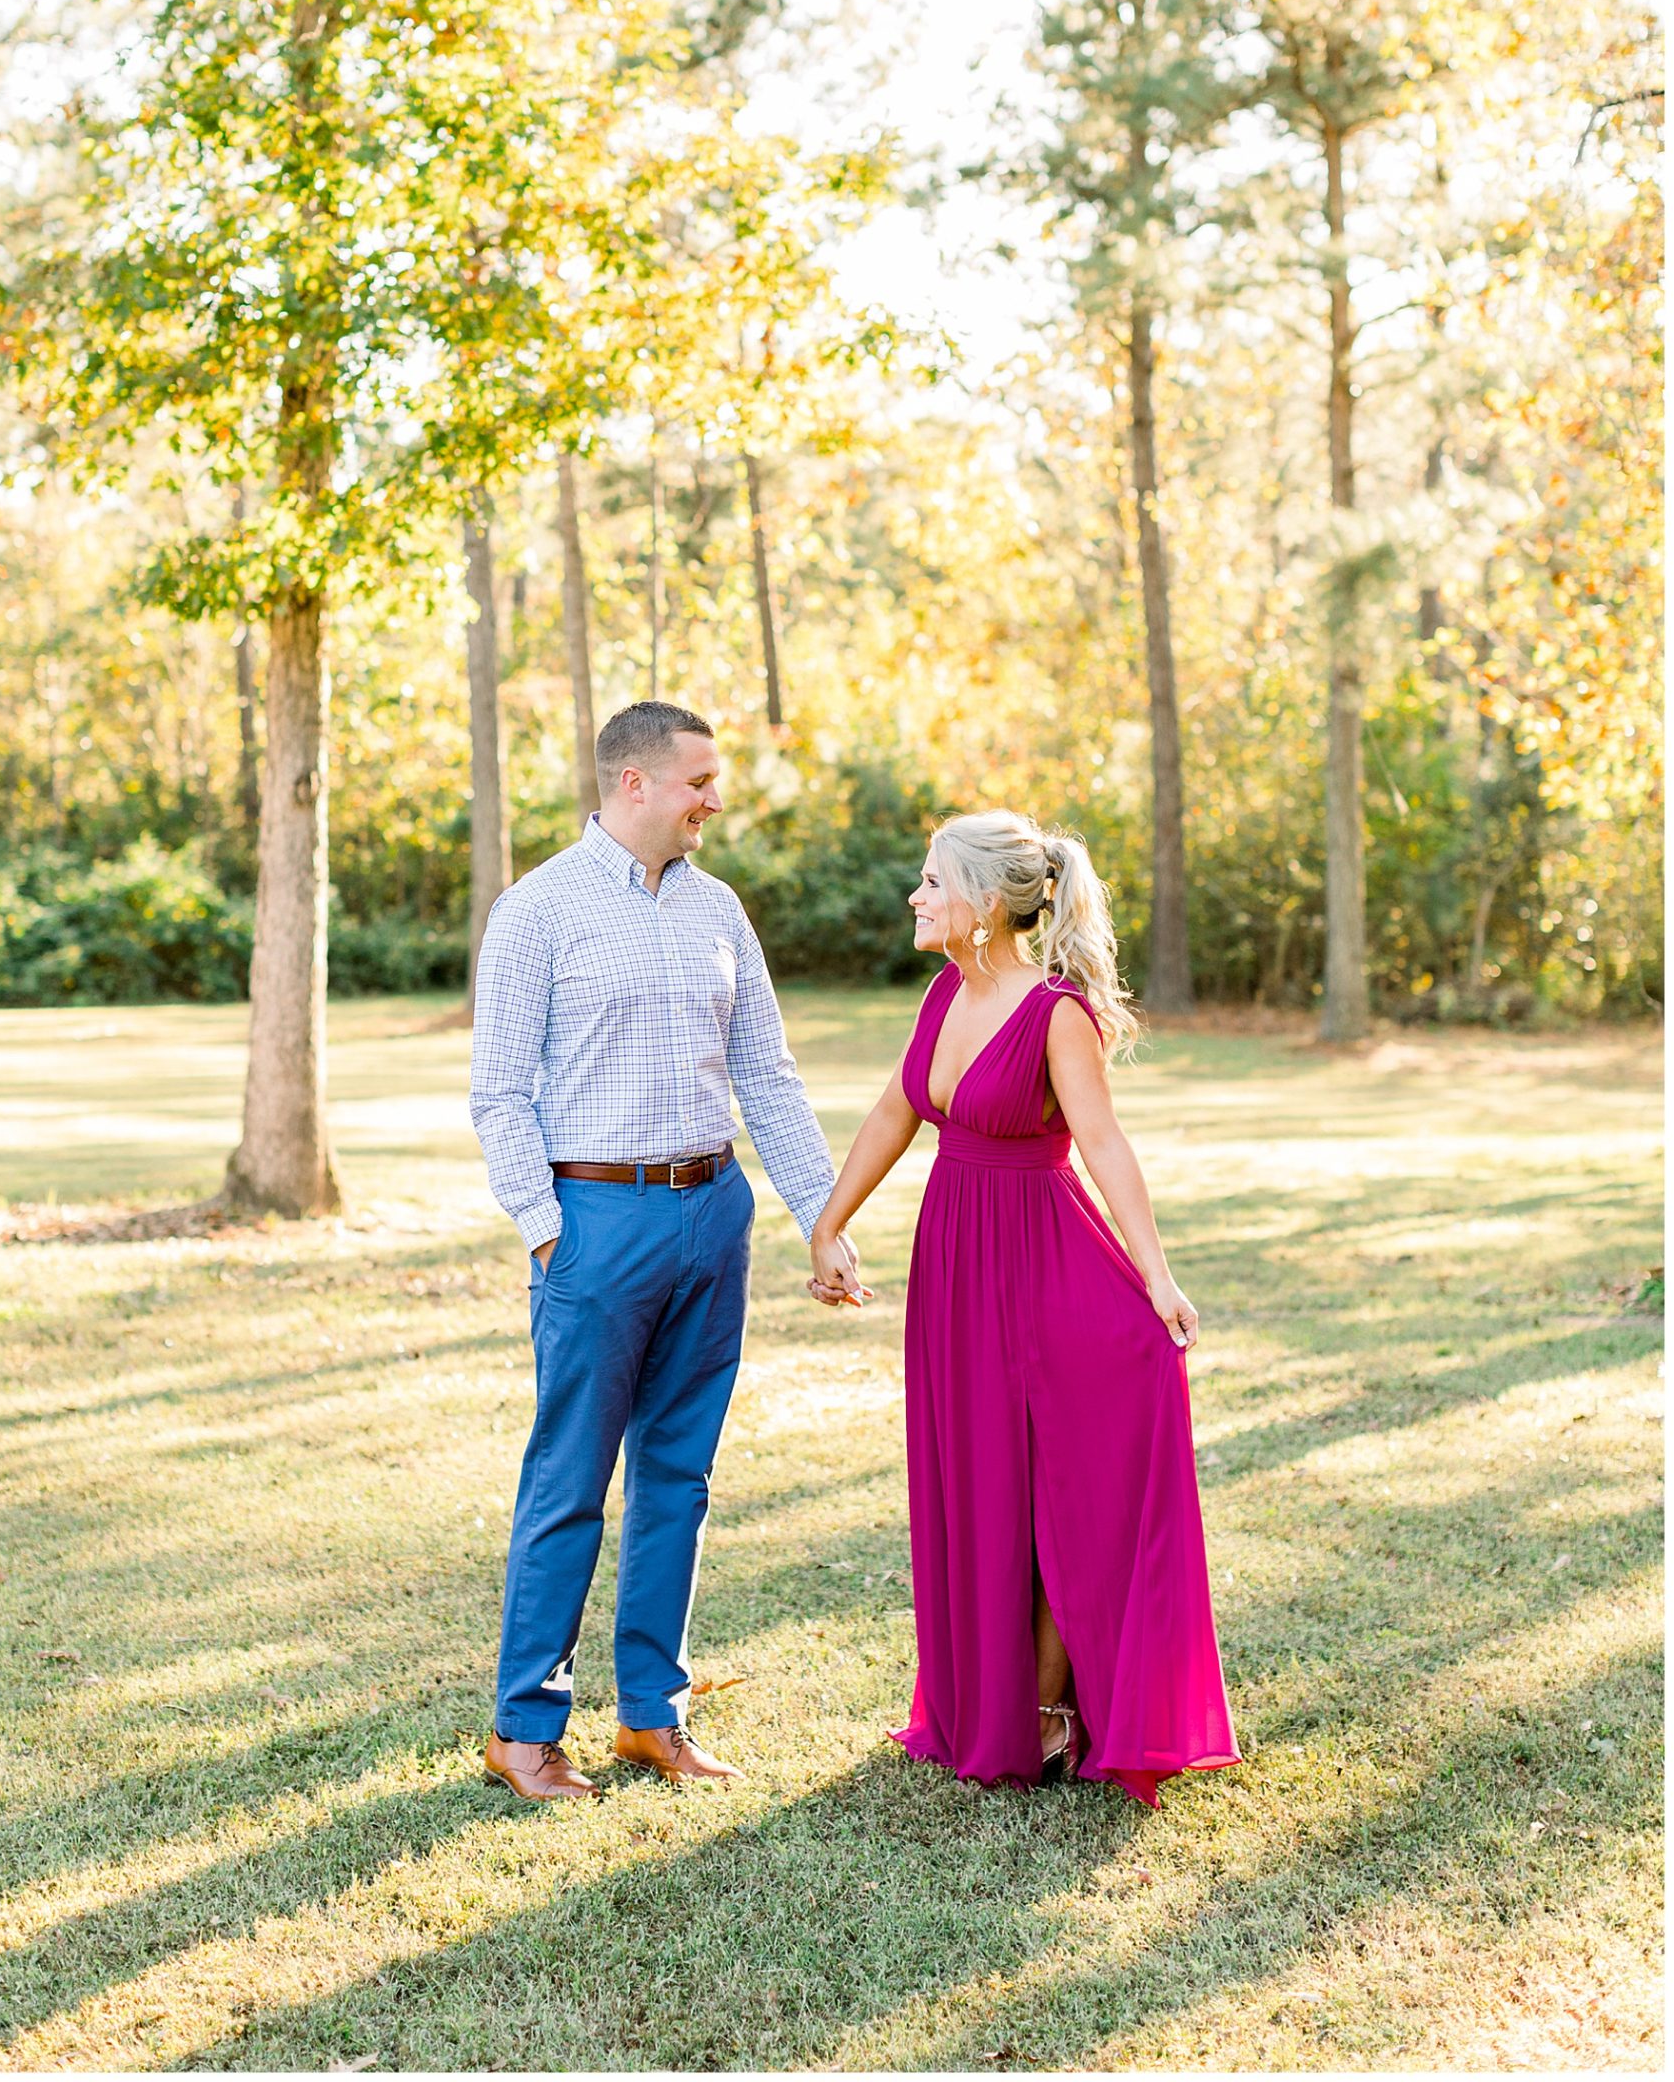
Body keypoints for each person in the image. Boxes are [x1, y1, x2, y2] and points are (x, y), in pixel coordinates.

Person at [806, 811, 1239, 1803]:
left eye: (931, 882)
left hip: (1050, 1267)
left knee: (1058, 1492)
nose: (916, 897)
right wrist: (829, 1225)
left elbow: (1107, 1147)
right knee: (983, 1487)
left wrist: (1158, 1279)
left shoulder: (1056, 1016)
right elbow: (893, 1111)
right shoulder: (943, 995)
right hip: (956, 1273)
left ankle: (1047, 1710)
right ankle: (995, 1704)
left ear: (988, 905)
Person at [470, 700, 835, 1802]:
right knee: (570, 1480)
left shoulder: (720, 908)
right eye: (698, 782)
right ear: (634, 783)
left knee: (679, 1476)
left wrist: (822, 1218)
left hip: (711, 1212)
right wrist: (546, 1229)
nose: (712, 800)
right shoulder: (537, 911)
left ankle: (651, 1721)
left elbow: (767, 1075)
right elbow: (498, 1094)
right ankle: (524, 1731)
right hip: (593, 1224)